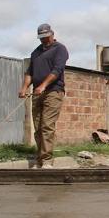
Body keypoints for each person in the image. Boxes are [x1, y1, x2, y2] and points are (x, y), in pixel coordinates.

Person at [19, 23, 69, 168]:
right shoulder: (36, 52)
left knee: (47, 125)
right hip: (37, 93)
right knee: (38, 127)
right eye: (41, 37)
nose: (43, 40)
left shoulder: (59, 49)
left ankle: (47, 160)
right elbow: (30, 73)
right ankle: (40, 158)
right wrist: (24, 88)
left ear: (51, 34)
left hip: (53, 91)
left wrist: (43, 85)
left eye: (46, 37)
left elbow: (57, 70)